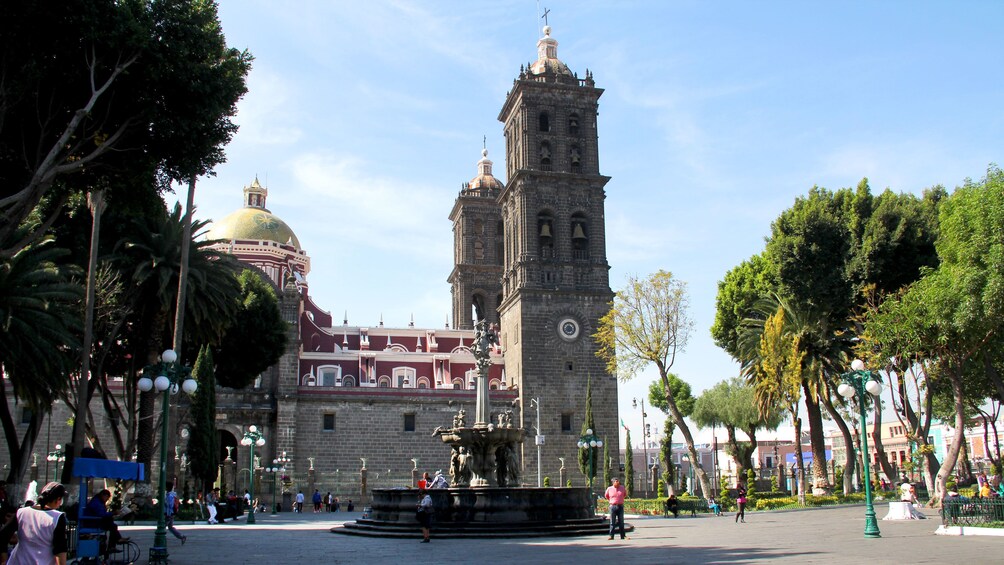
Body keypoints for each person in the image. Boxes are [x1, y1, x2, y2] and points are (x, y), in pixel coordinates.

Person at [0, 481, 69, 565]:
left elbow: (2, 537)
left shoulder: (21, 512)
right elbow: (60, 550)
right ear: (58, 499)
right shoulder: (57, 517)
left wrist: (4, 560)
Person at [81, 489, 127, 554]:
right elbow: (101, 514)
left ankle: (114, 543)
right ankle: (116, 542)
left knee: (112, 525)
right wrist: (112, 513)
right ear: (103, 495)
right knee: (112, 525)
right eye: (106, 498)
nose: (106, 500)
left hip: (95, 521)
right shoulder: (96, 502)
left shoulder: (99, 501)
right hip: (92, 522)